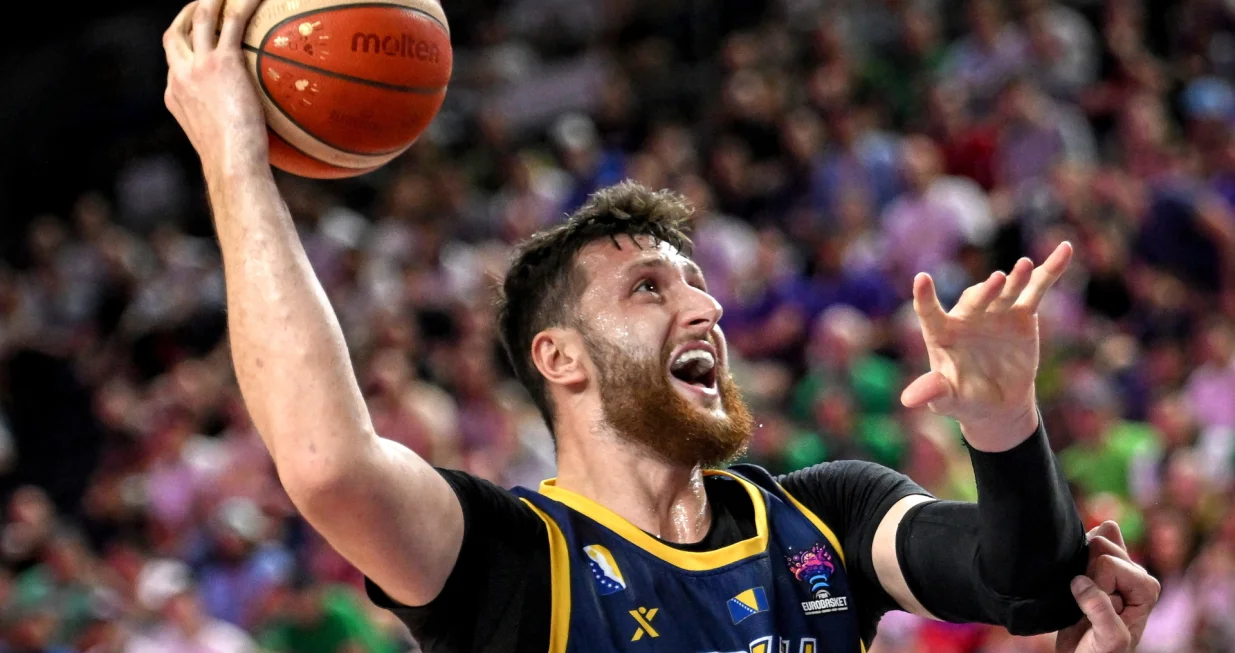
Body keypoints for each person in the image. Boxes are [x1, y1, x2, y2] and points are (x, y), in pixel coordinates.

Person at [160, 2, 1161, 653]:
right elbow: (328, 463)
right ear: (559, 357)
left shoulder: (824, 518)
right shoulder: (512, 559)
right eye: (648, 288)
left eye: (698, 284)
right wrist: (234, 157)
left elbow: (1024, 583)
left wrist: (1000, 419)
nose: (706, 308)